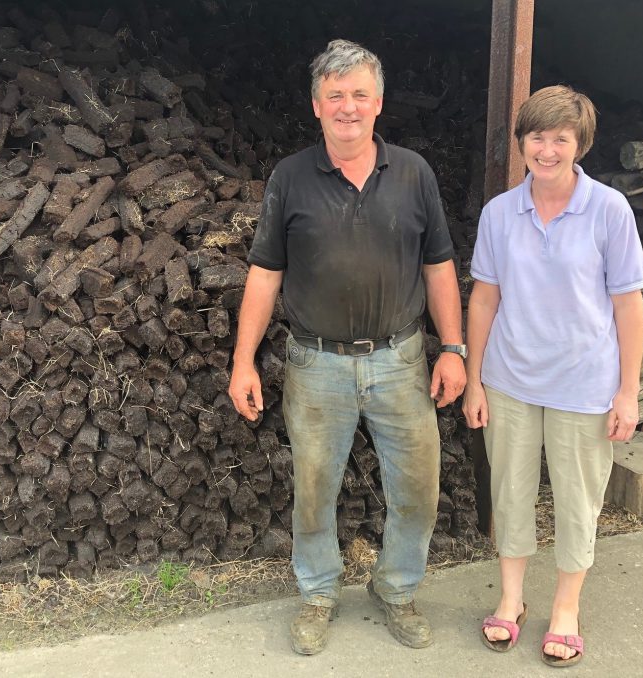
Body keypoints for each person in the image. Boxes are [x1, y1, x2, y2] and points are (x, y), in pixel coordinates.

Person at [228, 39, 466, 655]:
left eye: (359, 94)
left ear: (379, 103)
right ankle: (317, 592)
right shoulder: (291, 177)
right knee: (314, 485)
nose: (348, 107)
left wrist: (455, 349)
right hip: (316, 363)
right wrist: (243, 360)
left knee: (417, 484)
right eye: (335, 96)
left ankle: (396, 588)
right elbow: (265, 272)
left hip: (401, 359)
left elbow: (439, 266)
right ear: (316, 105)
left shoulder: (413, 173)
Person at [463, 85, 643, 667]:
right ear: (521, 144)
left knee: (577, 501)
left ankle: (566, 607)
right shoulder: (499, 214)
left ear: (579, 144)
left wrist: (628, 391)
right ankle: (512, 598)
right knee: (509, 494)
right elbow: (484, 300)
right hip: (509, 379)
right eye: (536, 137)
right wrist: (474, 380)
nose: (547, 149)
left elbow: (628, 305)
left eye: (560, 138)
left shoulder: (609, 210)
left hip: (584, 385)